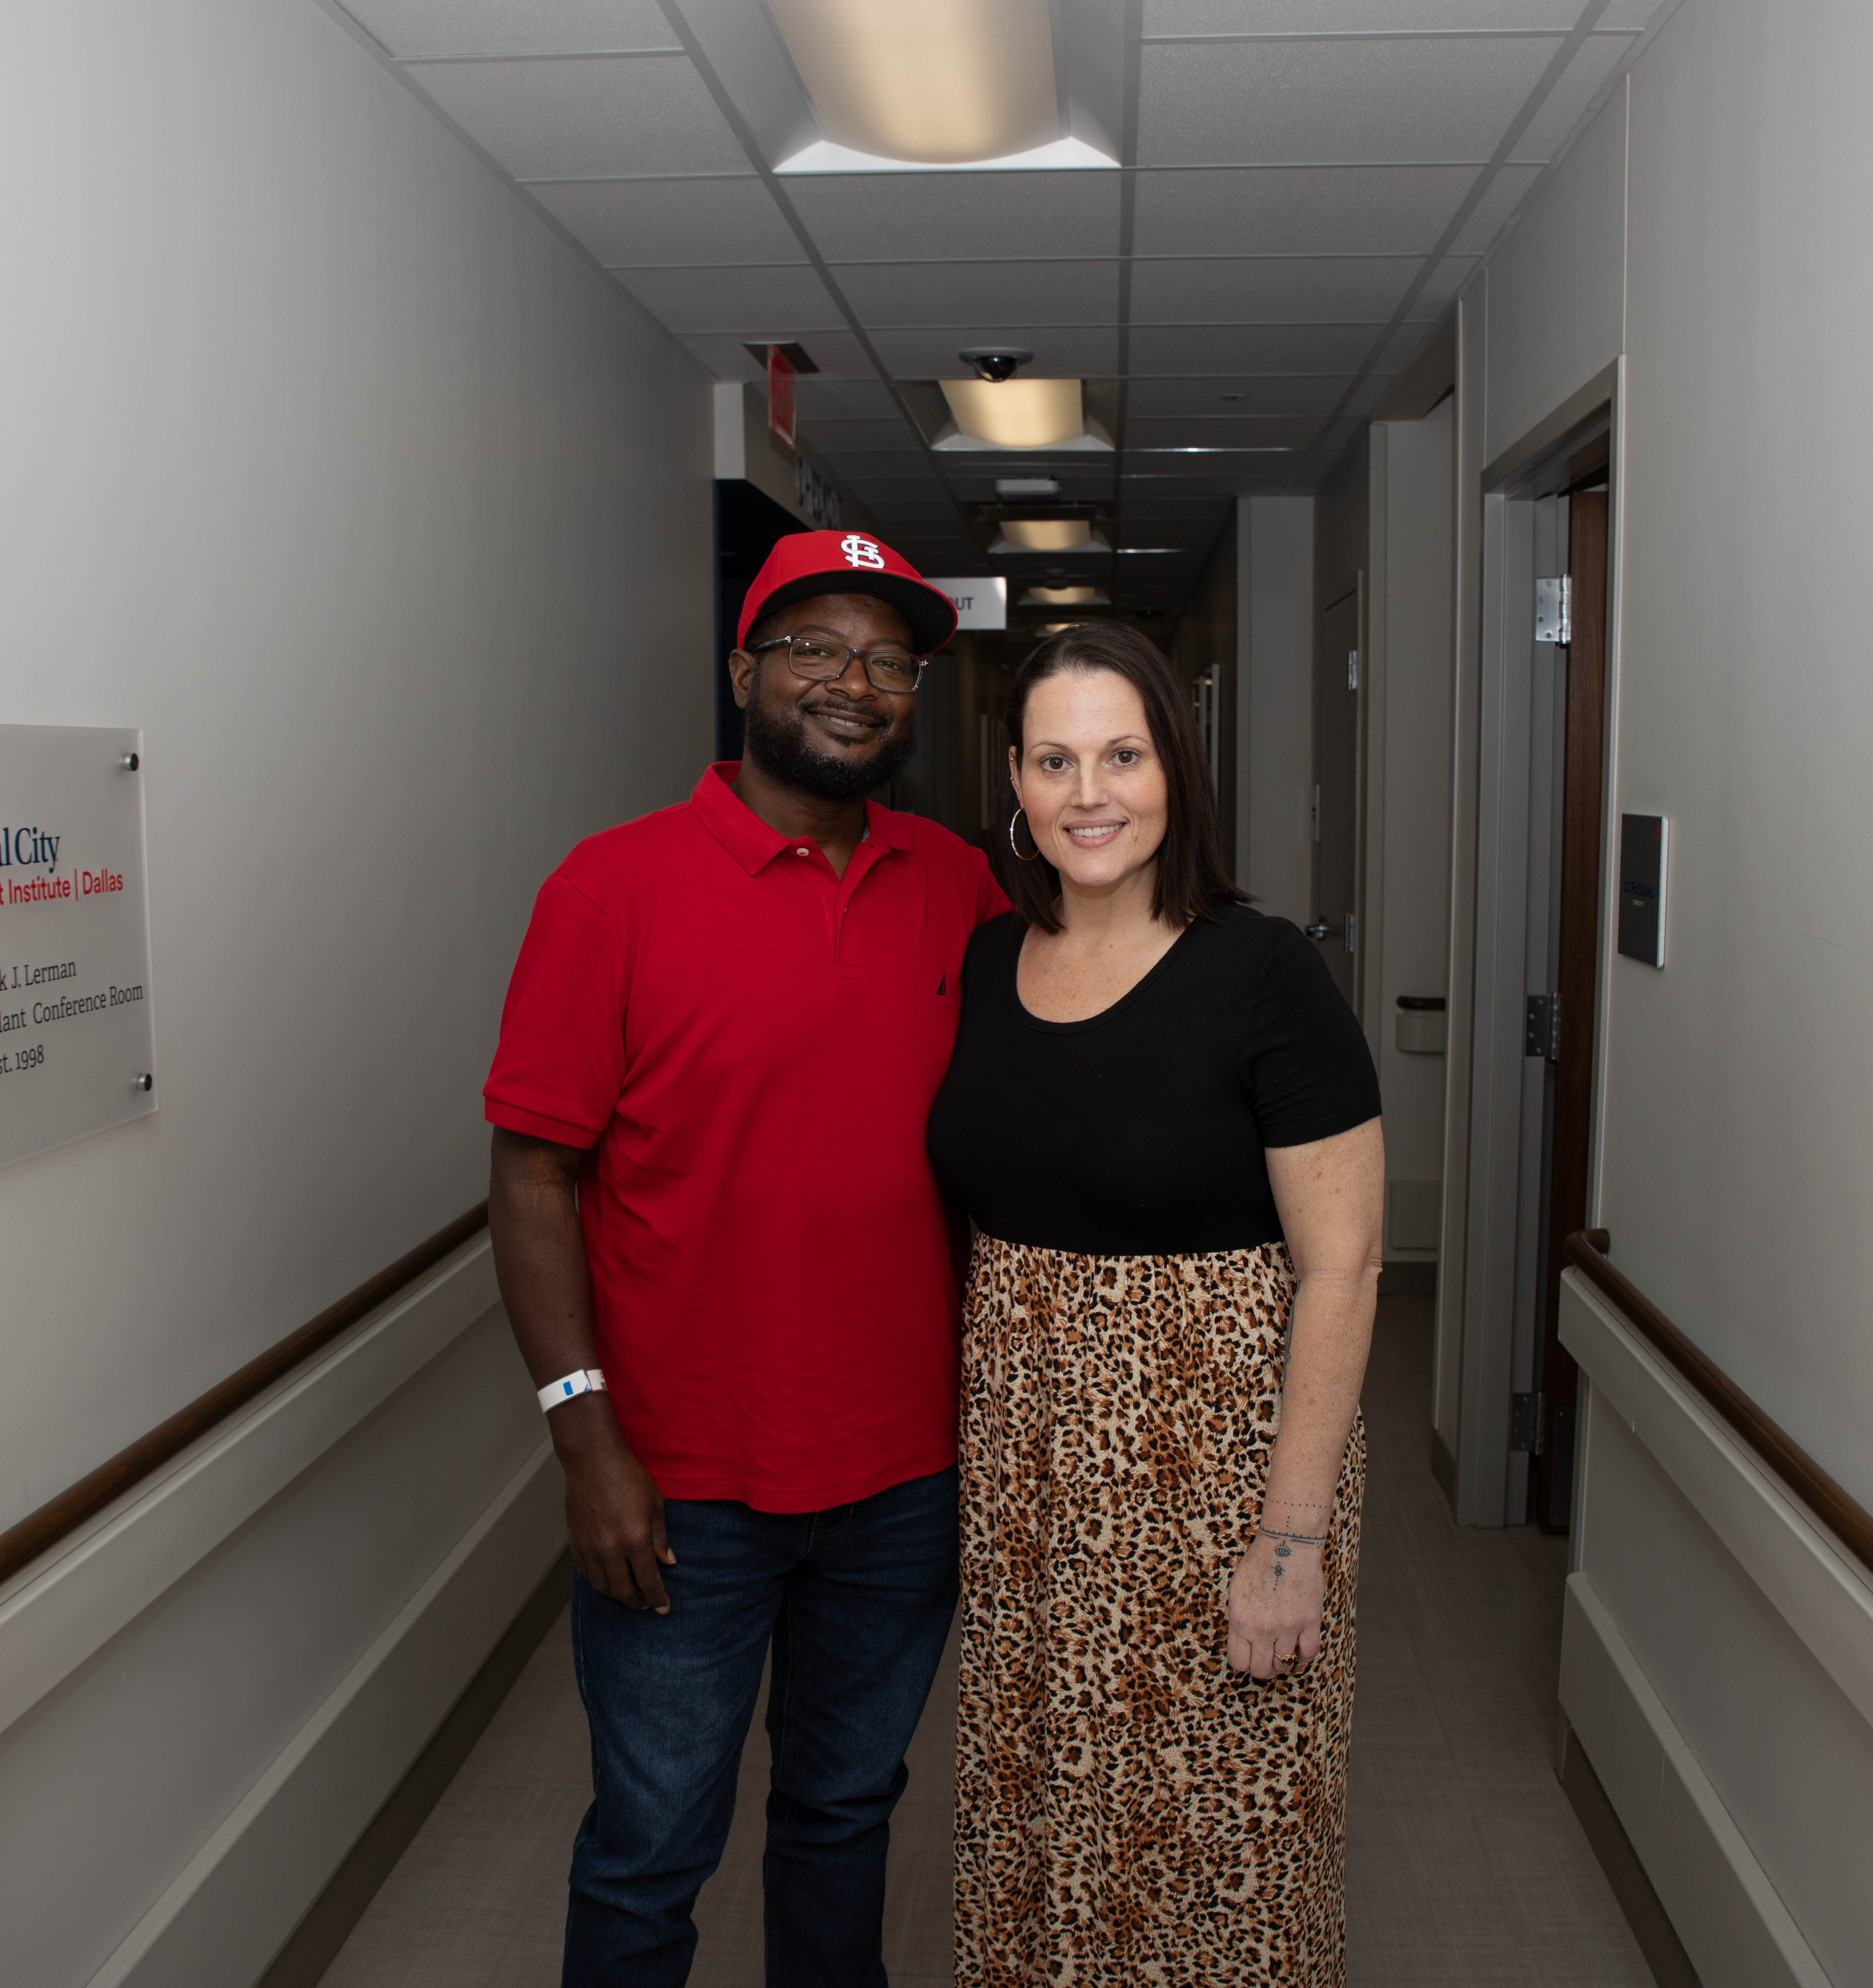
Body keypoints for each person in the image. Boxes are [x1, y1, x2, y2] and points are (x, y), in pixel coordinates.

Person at [481, 529, 1013, 1987]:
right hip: (680, 1484)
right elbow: (533, 1175)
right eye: (816, 650)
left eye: (889, 660)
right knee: (654, 1846)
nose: (855, 683)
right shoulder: (611, 890)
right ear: (742, 673)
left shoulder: (956, 886)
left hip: (906, 1473)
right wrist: (584, 1441)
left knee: (844, 1815)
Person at [925, 621, 1386, 1985]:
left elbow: (1345, 1269)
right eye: (1056, 759)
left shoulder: (1262, 974)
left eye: (1122, 754)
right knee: (1044, 1822)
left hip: (1221, 1494)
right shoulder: (988, 970)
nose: (1090, 794)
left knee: (1219, 1854)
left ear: (1175, 770)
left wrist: (1291, 1543)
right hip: (1034, 1505)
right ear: (1013, 780)